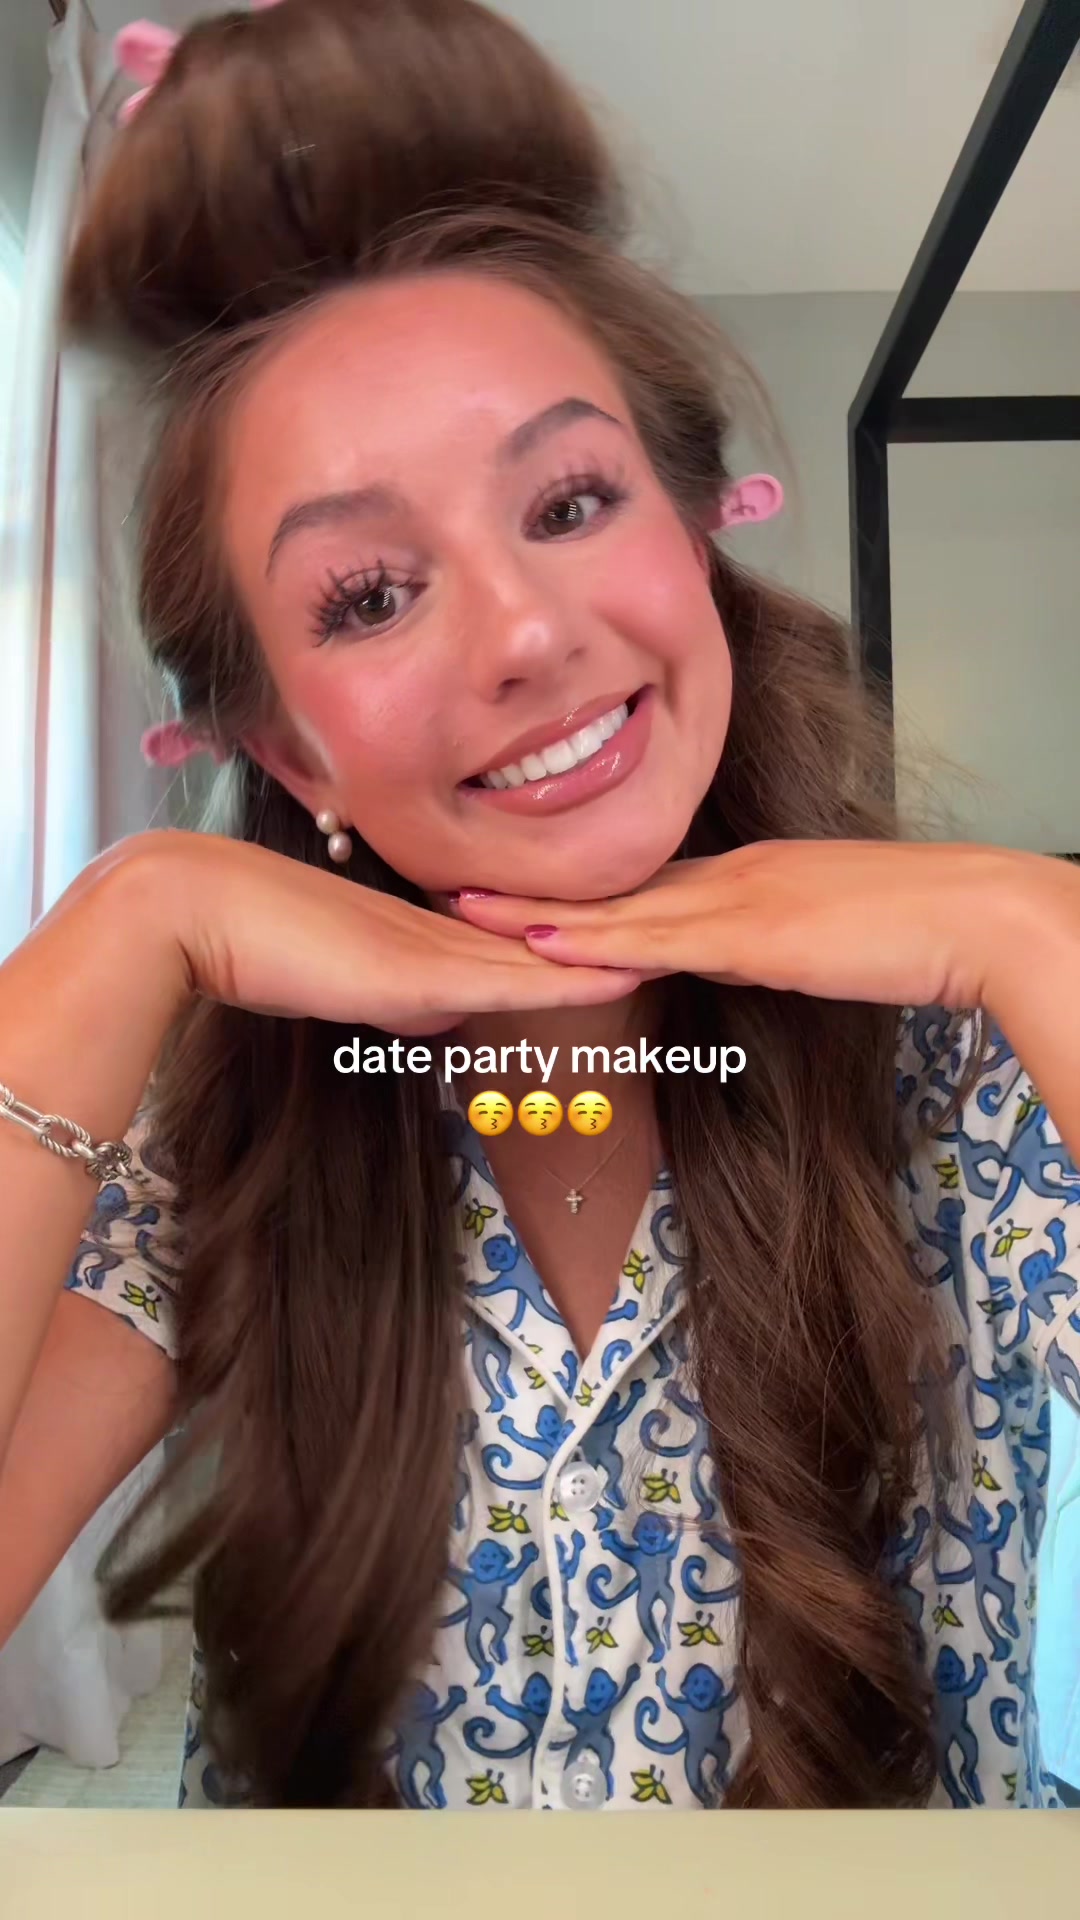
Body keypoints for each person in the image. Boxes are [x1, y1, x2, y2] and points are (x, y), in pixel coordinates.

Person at [1, 0, 1078, 1815]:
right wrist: (124, 916)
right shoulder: (225, 1129)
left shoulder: (973, 1068)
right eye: (368, 595)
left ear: (695, 536)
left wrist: (1031, 933)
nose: (523, 633)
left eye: (571, 501)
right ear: (286, 745)